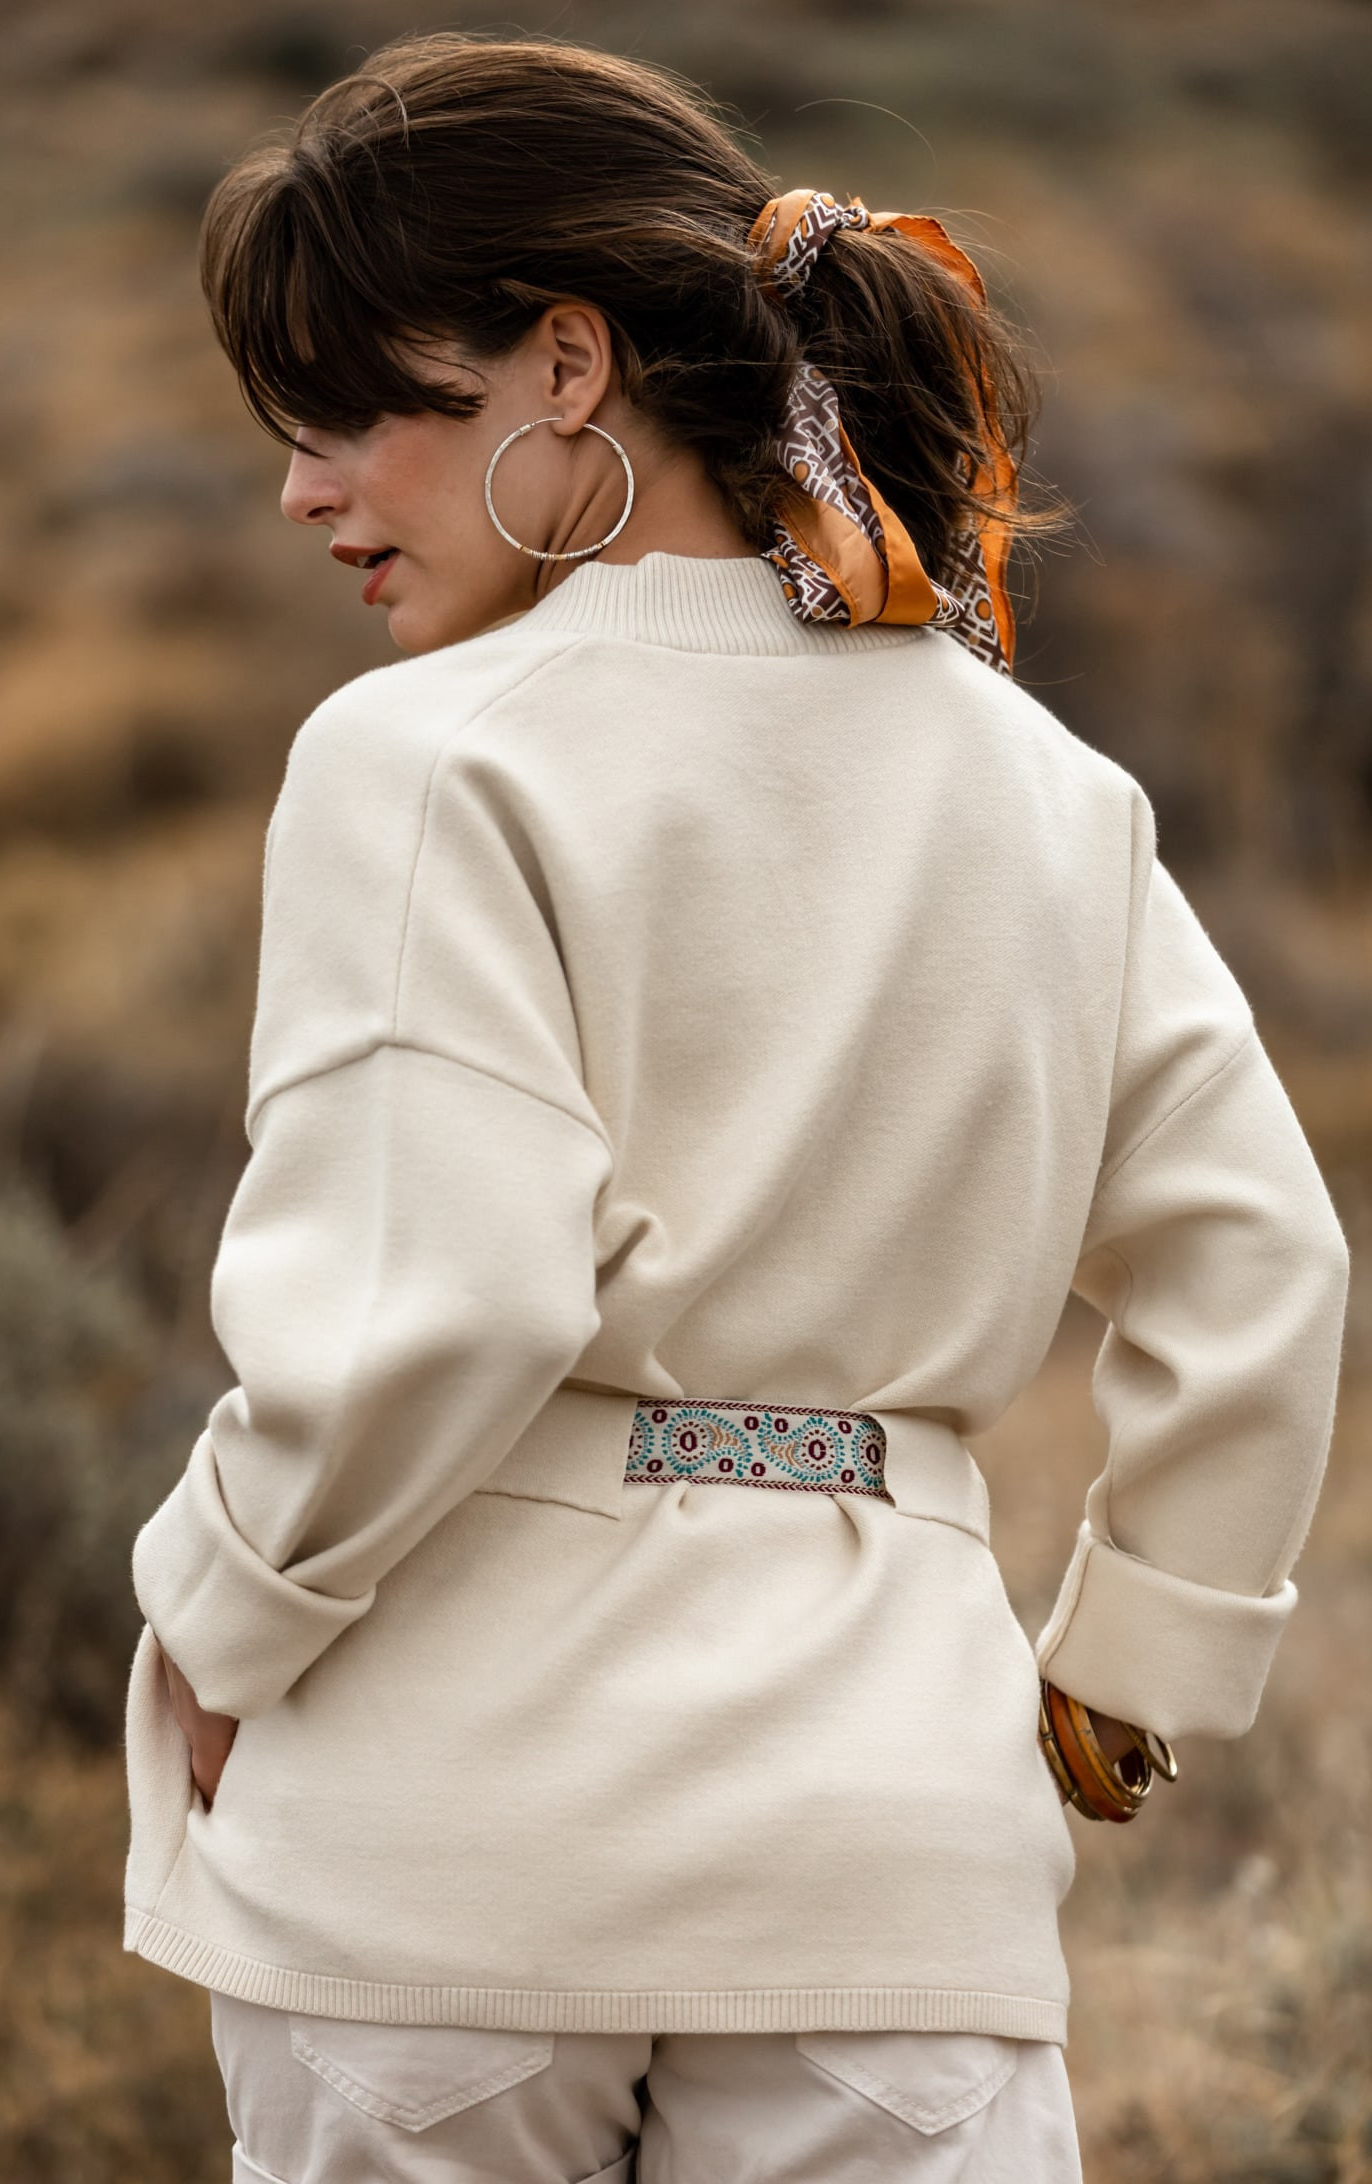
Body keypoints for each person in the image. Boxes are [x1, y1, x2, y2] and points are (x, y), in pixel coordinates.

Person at [119, 32, 1350, 2183]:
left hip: (446, 1843)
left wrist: (222, 1620)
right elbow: (1260, 1263)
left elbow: (441, 1300)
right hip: (892, 1862)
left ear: (565, 362)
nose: (303, 491)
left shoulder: (425, 756)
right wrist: (1128, 1676)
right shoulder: (1045, 790)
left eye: (346, 412)